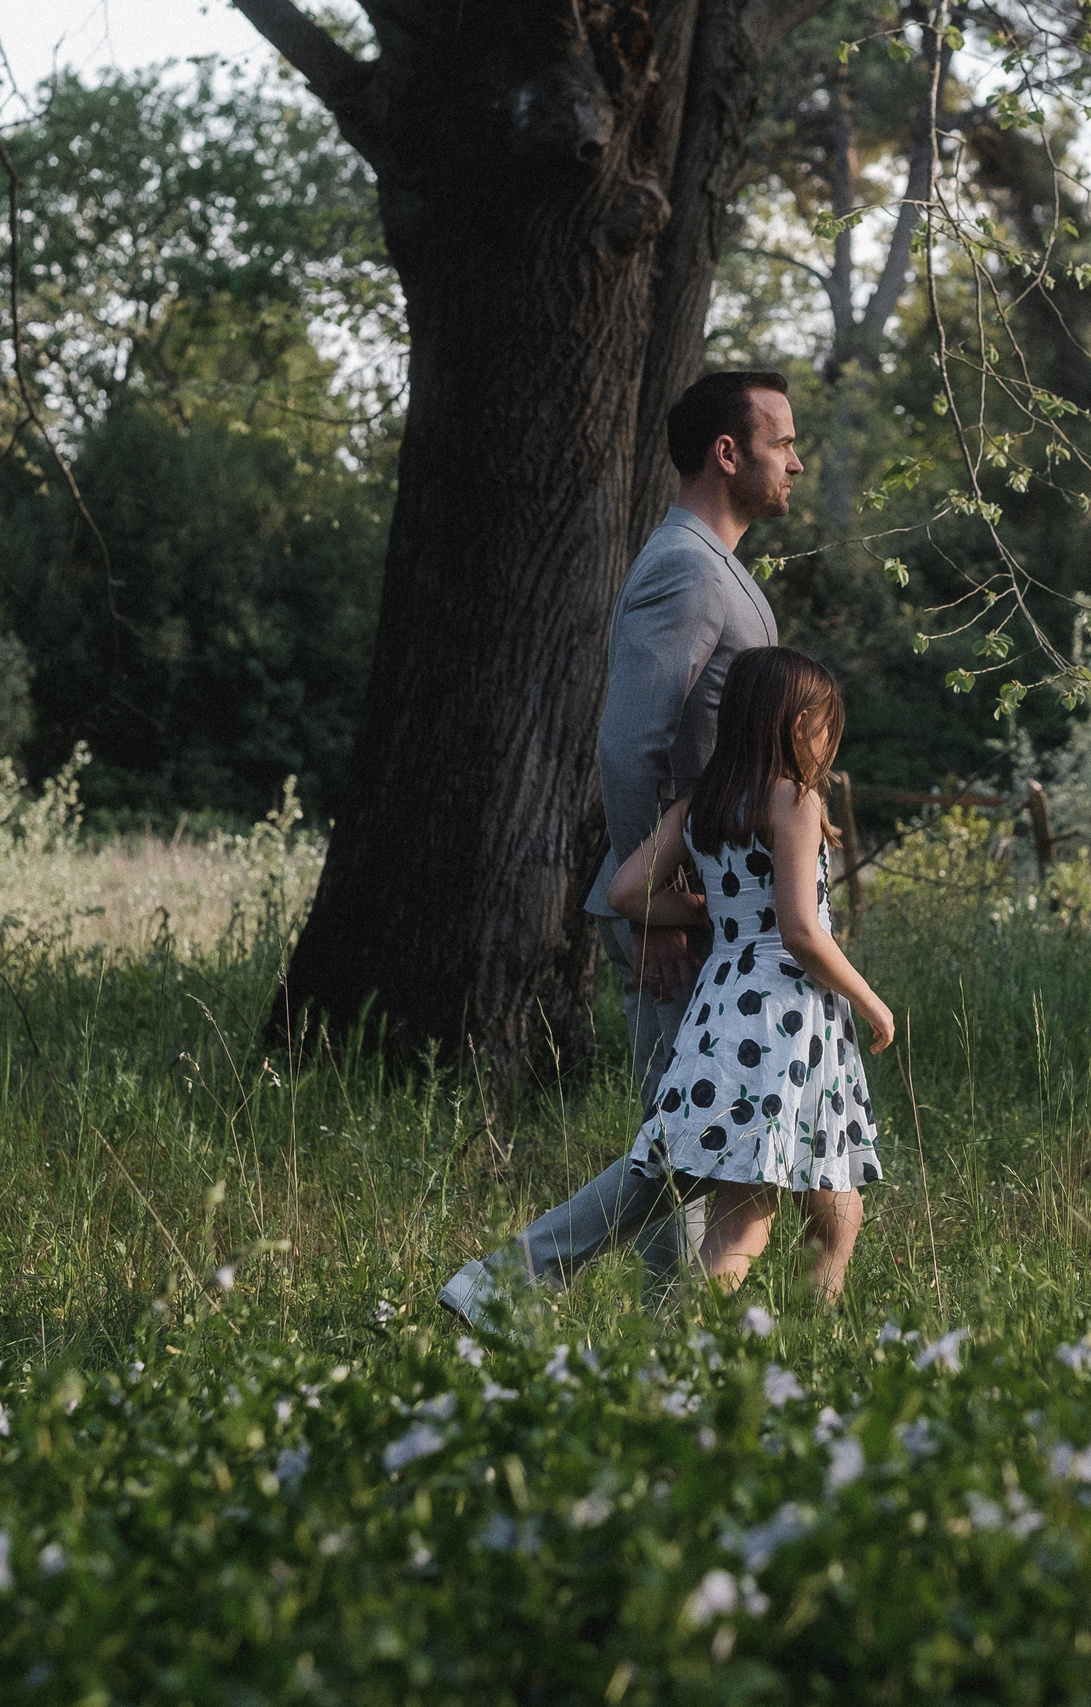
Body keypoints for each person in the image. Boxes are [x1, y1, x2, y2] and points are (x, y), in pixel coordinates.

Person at [437, 370, 803, 1325]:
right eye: (783, 441)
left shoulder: (723, 569)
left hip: (707, 912)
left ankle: (666, 1350)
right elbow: (631, 741)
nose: (797, 460)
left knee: (694, 1141)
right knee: (691, 1142)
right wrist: (662, 901)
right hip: (674, 910)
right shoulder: (685, 566)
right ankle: (505, 1283)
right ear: (730, 453)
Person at [608, 646, 892, 1301]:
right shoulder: (792, 798)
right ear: (797, 726)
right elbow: (800, 929)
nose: (828, 743)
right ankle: (687, 1350)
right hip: (788, 1012)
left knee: (826, 1202)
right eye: (825, 728)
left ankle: (799, 1344)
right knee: (750, 1214)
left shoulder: (701, 804)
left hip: (725, 1003)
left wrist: (708, 907)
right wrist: (871, 999)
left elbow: (627, 891)